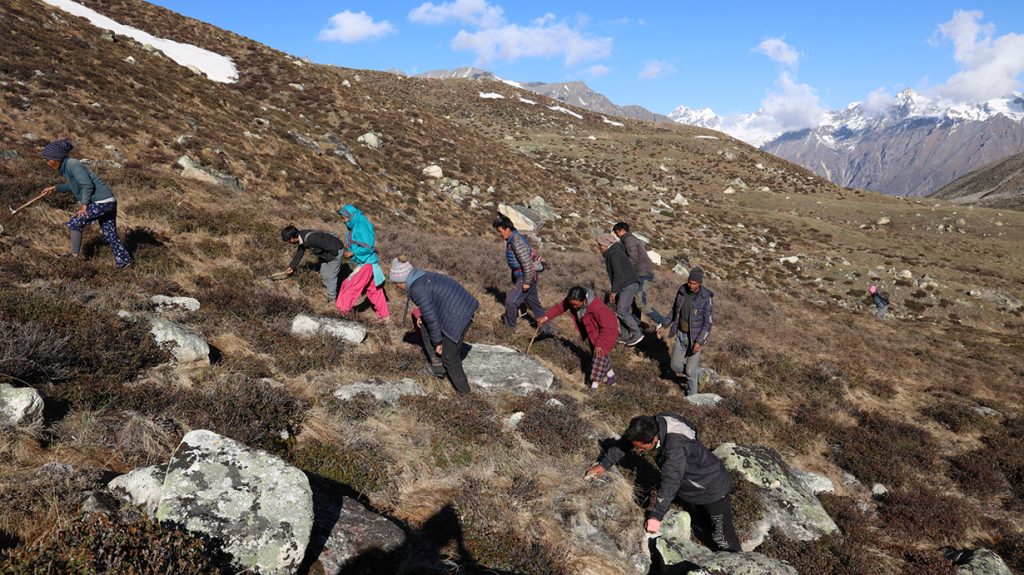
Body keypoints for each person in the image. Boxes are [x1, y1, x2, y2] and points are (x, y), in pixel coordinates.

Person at [585, 413, 740, 552]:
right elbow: (627, 443)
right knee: (701, 523)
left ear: (654, 439)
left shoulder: (675, 449)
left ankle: (735, 559)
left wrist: (656, 515)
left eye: (643, 449)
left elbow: (670, 482)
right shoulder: (652, 424)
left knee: (721, 534)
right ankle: (709, 546)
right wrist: (604, 464)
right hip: (690, 484)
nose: (639, 451)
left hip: (711, 487)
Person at [38, 139, 133, 268]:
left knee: (75, 223)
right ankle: (125, 261)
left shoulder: (73, 165)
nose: (48, 163)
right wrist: (55, 188)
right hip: (108, 201)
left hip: (101, 202)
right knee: (110, 233)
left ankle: (74, 258)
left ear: (58, 158)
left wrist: (84, 205)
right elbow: (75, 186)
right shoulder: (67, 167)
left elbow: (87, 185)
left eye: (49, 160)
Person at [390, 256, 479, 394]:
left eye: (395, 282)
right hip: (456, 307)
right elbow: (430, 303)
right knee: (424, 323)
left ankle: (465, 394)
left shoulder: (417, 287)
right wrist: (423, 315)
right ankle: (438, 366)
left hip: (459, 314)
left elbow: (432, 318)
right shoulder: (419, 277)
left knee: (449, 357)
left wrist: (438, 342)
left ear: (402, 279)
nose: (396, 286)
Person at [538, 286, 619, 388]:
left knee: (598, 357)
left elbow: (606, 326)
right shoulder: (573, 299)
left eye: (576, 305)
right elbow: (560, 308)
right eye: (572, 305)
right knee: (598, 353)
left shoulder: (597, 307)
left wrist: (600, 344)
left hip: (607, 331)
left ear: (584, 299)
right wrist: (545, 317)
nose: (574, 307)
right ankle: (611, 375)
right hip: (593, 331)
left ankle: (594, 385)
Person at [657, 266, 713, 396]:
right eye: (689, 282)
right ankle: (699, 373)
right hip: (681, 335)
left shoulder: (706, 298)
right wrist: (665, 325)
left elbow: (708, 323)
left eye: (694, 283)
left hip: (695, 339)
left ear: (700, 284)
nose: (690, 285)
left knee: (689, 370)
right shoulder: (682, 291)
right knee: (675, 366)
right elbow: (674, 311)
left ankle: (692, 398)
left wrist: (700, 341)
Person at [494, 216, 550, 334]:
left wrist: (526, 282)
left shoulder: (516, 241)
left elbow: (527, 263)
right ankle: (547, 329)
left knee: (511, 301)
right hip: (527, 275)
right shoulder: (513, 239)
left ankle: (508, 330)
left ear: (508, 229)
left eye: (500, 231)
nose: (500, 234)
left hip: (526, 276)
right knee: (533, 302)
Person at [336, 204, 389, 321]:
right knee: (374, 290)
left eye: (344, 218)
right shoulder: (355, 224)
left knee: (350, 285)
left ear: (351, 215)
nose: (344, 221)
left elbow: (368, 247)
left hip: (367, 262)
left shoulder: (361, 225)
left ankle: (342, 312)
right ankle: (385, 316)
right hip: (369, 262)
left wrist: (352, 252)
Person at [612, 222, 668, 330]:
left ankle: (661, 321)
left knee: (640, 302)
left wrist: (623, 271)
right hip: (639, 274)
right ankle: (636, 325)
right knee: (634, 302)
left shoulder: (628, 240)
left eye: (616, 232)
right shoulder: (628, 239)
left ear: (622, 230)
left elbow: (633, 258)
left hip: (642, 275)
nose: (616, 234)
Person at [597, 233, 644, 347]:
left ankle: (637, 333)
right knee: (621, 310)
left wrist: (614, 291)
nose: (599, 247)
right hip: (626, 284)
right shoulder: (614, 251)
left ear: (606, 244)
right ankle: (625, 336)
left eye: (600, 245)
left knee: (621, 310)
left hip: (627, 284)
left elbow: (618, 273)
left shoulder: (614, 253)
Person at [280, 226, 345, 302]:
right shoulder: (302, 237)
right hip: (325, 253)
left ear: (292, 238)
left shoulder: (311, 239)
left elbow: (331, 247)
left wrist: (331, 259)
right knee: (324, 272)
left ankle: (332, 299)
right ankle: (329, 288)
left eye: (288, 240)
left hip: (335, 252)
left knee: (331, 275)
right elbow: (300, 252)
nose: (289, 242)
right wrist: (292, 266)